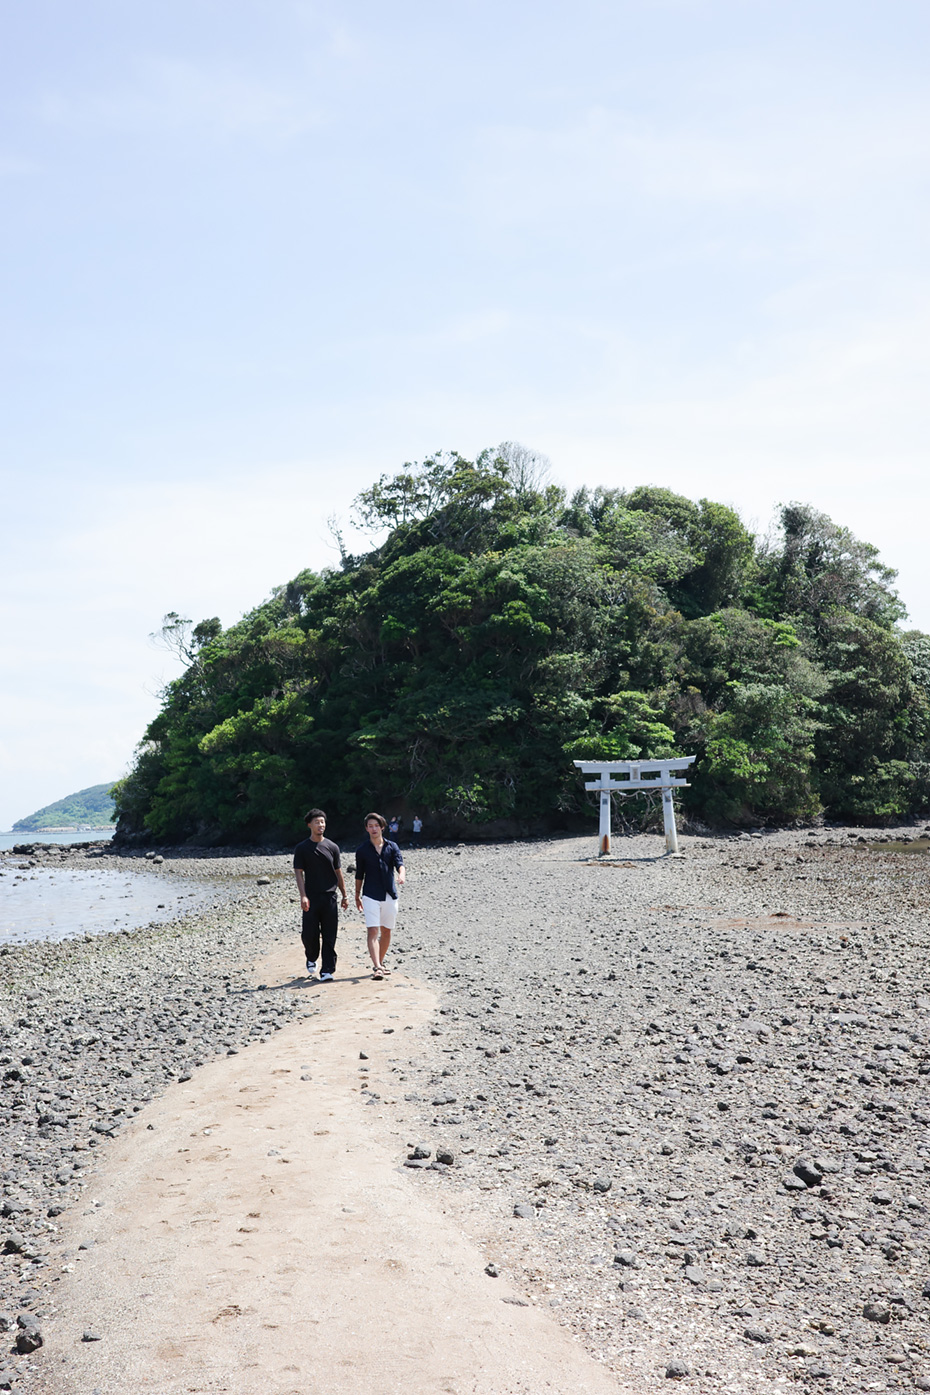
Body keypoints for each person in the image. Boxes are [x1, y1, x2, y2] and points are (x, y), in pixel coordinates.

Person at [293, 808, 348, 982]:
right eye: (317, 822)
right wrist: (303, 895)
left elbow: (338, 873)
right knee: (309, 934)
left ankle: (327, 970)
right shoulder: (302, 848)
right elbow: (298, 873)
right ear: (309, 825)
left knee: (330, 934)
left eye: (323, 822)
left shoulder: (332, 847)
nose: (321, 825)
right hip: (311, 897)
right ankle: (311, 956)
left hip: (330, 897)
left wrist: (345, 895)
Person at [354, 812, 405, 981]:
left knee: (387, 931)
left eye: (376, 825)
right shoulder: (362, 850)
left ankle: (380, 963)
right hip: (370, 895)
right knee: (373, 930)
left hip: (390, 894)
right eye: (370, 826)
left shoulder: (392, 846)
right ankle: (377, 967)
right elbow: (359, 874)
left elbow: (400, 864)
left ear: (382, 827)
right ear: (366, 829)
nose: (373, 828)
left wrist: (401, 876)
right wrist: (356, 895)